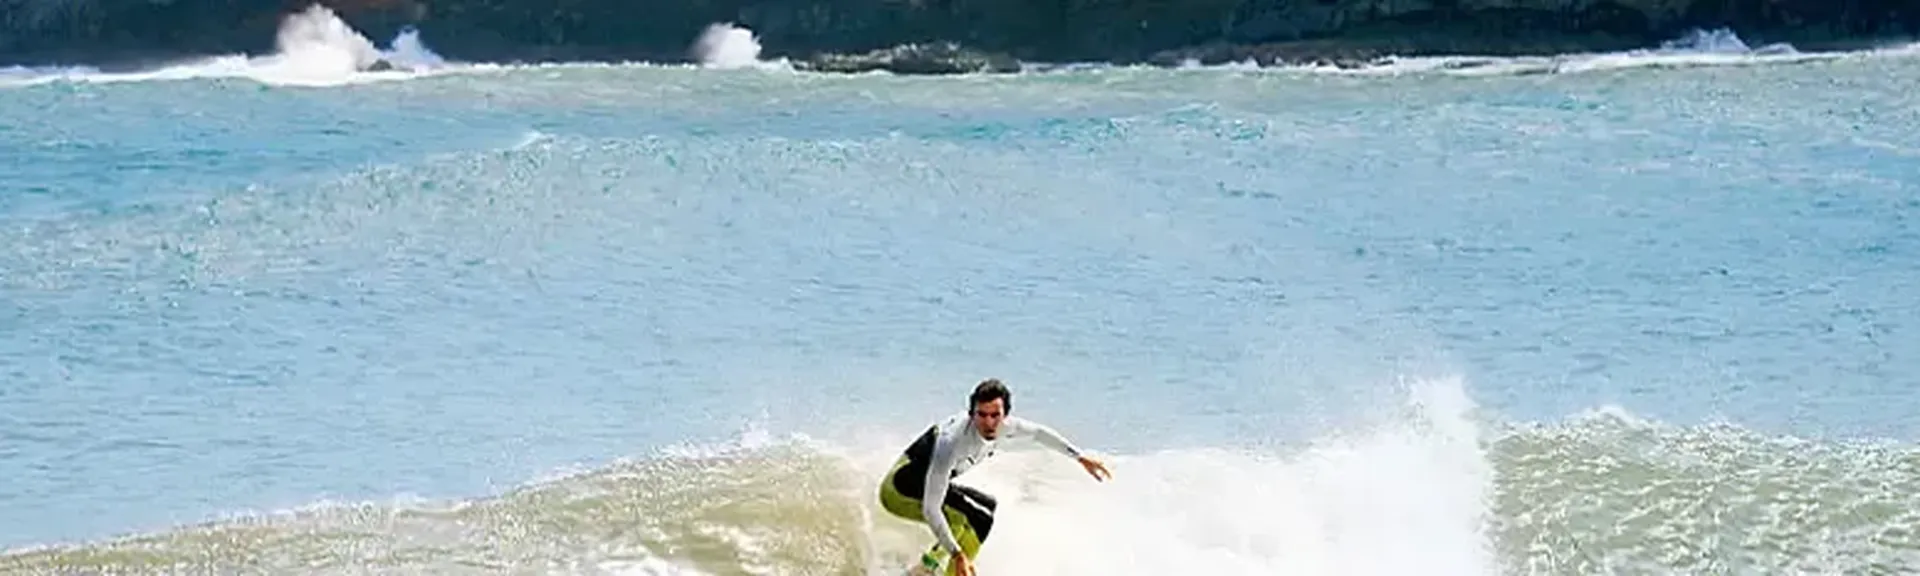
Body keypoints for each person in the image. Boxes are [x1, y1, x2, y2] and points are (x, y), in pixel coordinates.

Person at [876, 378, 1112, 576]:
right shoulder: (952, 443)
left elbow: (1040, 434)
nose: (988, 423)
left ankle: (953, 571)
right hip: (899, 488)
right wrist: (956, 553)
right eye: (982, 415)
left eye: (995, 415)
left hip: (922, 486)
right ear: (972, 413)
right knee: (961, 518)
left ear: (1005, 415)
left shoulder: (1006, 427)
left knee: (985, 515)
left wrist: (1080, 458)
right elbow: (931, 508)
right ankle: (926, 569)